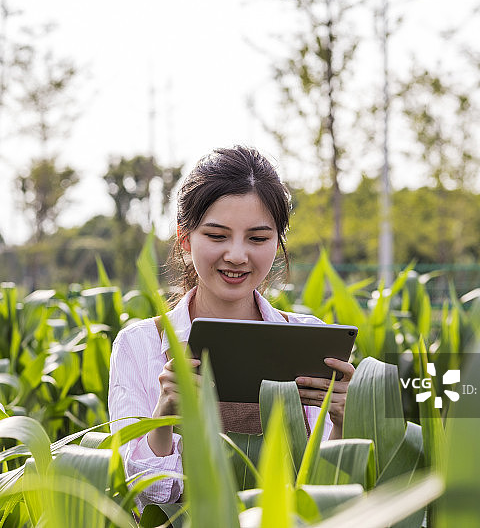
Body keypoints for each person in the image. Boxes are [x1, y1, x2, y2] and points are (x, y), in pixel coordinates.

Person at [107, 145, 355, 507]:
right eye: (217, 235)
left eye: (257, 238)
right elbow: (145, 495)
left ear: (277, 242)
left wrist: (345, 421)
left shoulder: (308, 338)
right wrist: (162, 419)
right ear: (184, 237)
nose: (237, 255)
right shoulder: (141, 345)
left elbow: (326, 489)